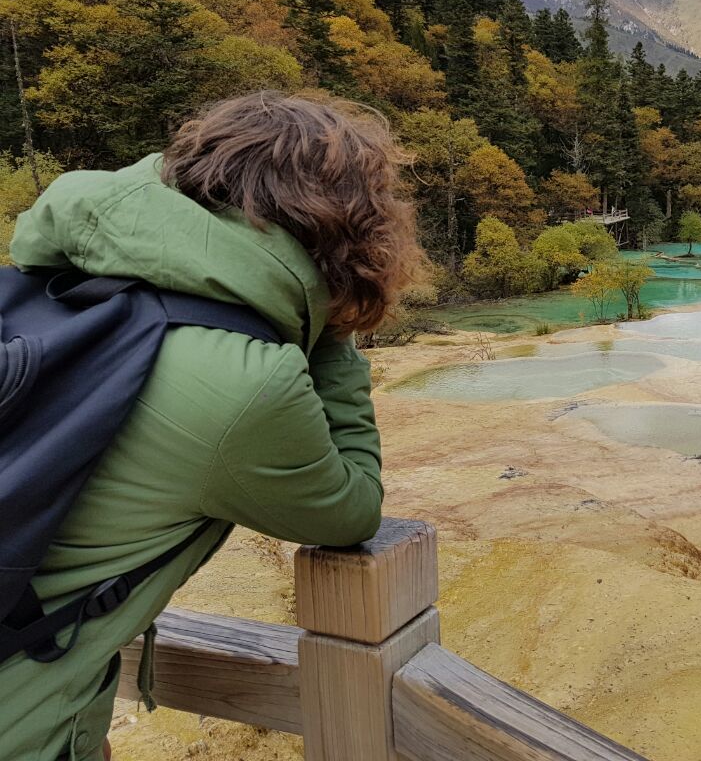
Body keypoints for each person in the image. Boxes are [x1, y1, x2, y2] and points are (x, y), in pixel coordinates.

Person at [0, 92, 420, 761]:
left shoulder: (52, 284)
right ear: (351, 233)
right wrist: (328, 333)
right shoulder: (248, 384)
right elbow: (350, 508)